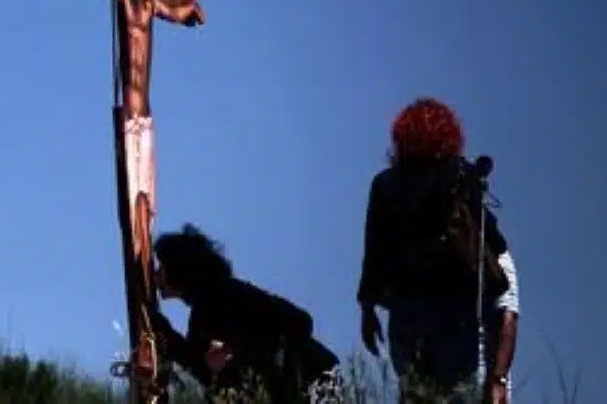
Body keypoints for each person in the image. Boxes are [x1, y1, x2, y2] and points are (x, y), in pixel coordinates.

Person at [357, 97, 520, 403]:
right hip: (457, 318)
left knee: (416, 391)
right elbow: (490, 247)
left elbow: (373, 249)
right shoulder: (459, 174)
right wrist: (498, 378)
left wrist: (367, 310)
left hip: (407, 317)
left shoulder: (385, 185)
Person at [150, 224, 340, 402]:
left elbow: (300, 321)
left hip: (316, 380)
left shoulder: (228, 294)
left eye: (162, 267)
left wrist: (234, 349)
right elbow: (199, 367)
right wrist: (160, 327)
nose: (156, 275)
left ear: (179, 268)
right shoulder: (204, 312)